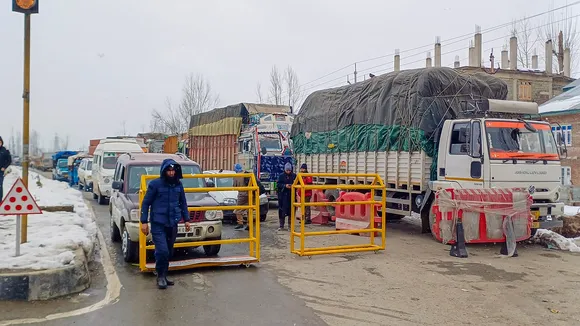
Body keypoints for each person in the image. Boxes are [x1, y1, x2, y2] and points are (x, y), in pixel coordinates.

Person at [140, 158, 191, 290]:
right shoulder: (155, 185)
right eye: (169, 170)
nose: (171, 173)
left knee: (168, 251)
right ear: (164, 171)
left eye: (173, 170)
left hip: (173, 223)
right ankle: (160, 277)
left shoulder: (179, 185)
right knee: (162, 250)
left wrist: (187, 220)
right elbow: (146, 203)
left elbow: (183, 203)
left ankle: (164, 274)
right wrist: (143, 222)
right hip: (158, 223)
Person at [277, 162, 296, 231]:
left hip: (291, 196)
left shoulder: (294, 176)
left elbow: (298, 183)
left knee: (291, 211)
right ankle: (281, 225)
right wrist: (285, 186)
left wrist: (293, 186)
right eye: (287, 170)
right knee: (282, 211)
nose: (288, 171)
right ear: (285, 169)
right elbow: (278, 184)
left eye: (289, 170)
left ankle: (290, 226)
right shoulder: (281, 176)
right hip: (283, 197)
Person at [233, 163, 249, 231]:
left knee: (238, 209)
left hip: (242, 194)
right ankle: (249, 224)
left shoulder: (236, 176)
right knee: (249, 209)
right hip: (250, 193)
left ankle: (240, 223)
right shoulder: (247, 174)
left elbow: (234, 186)